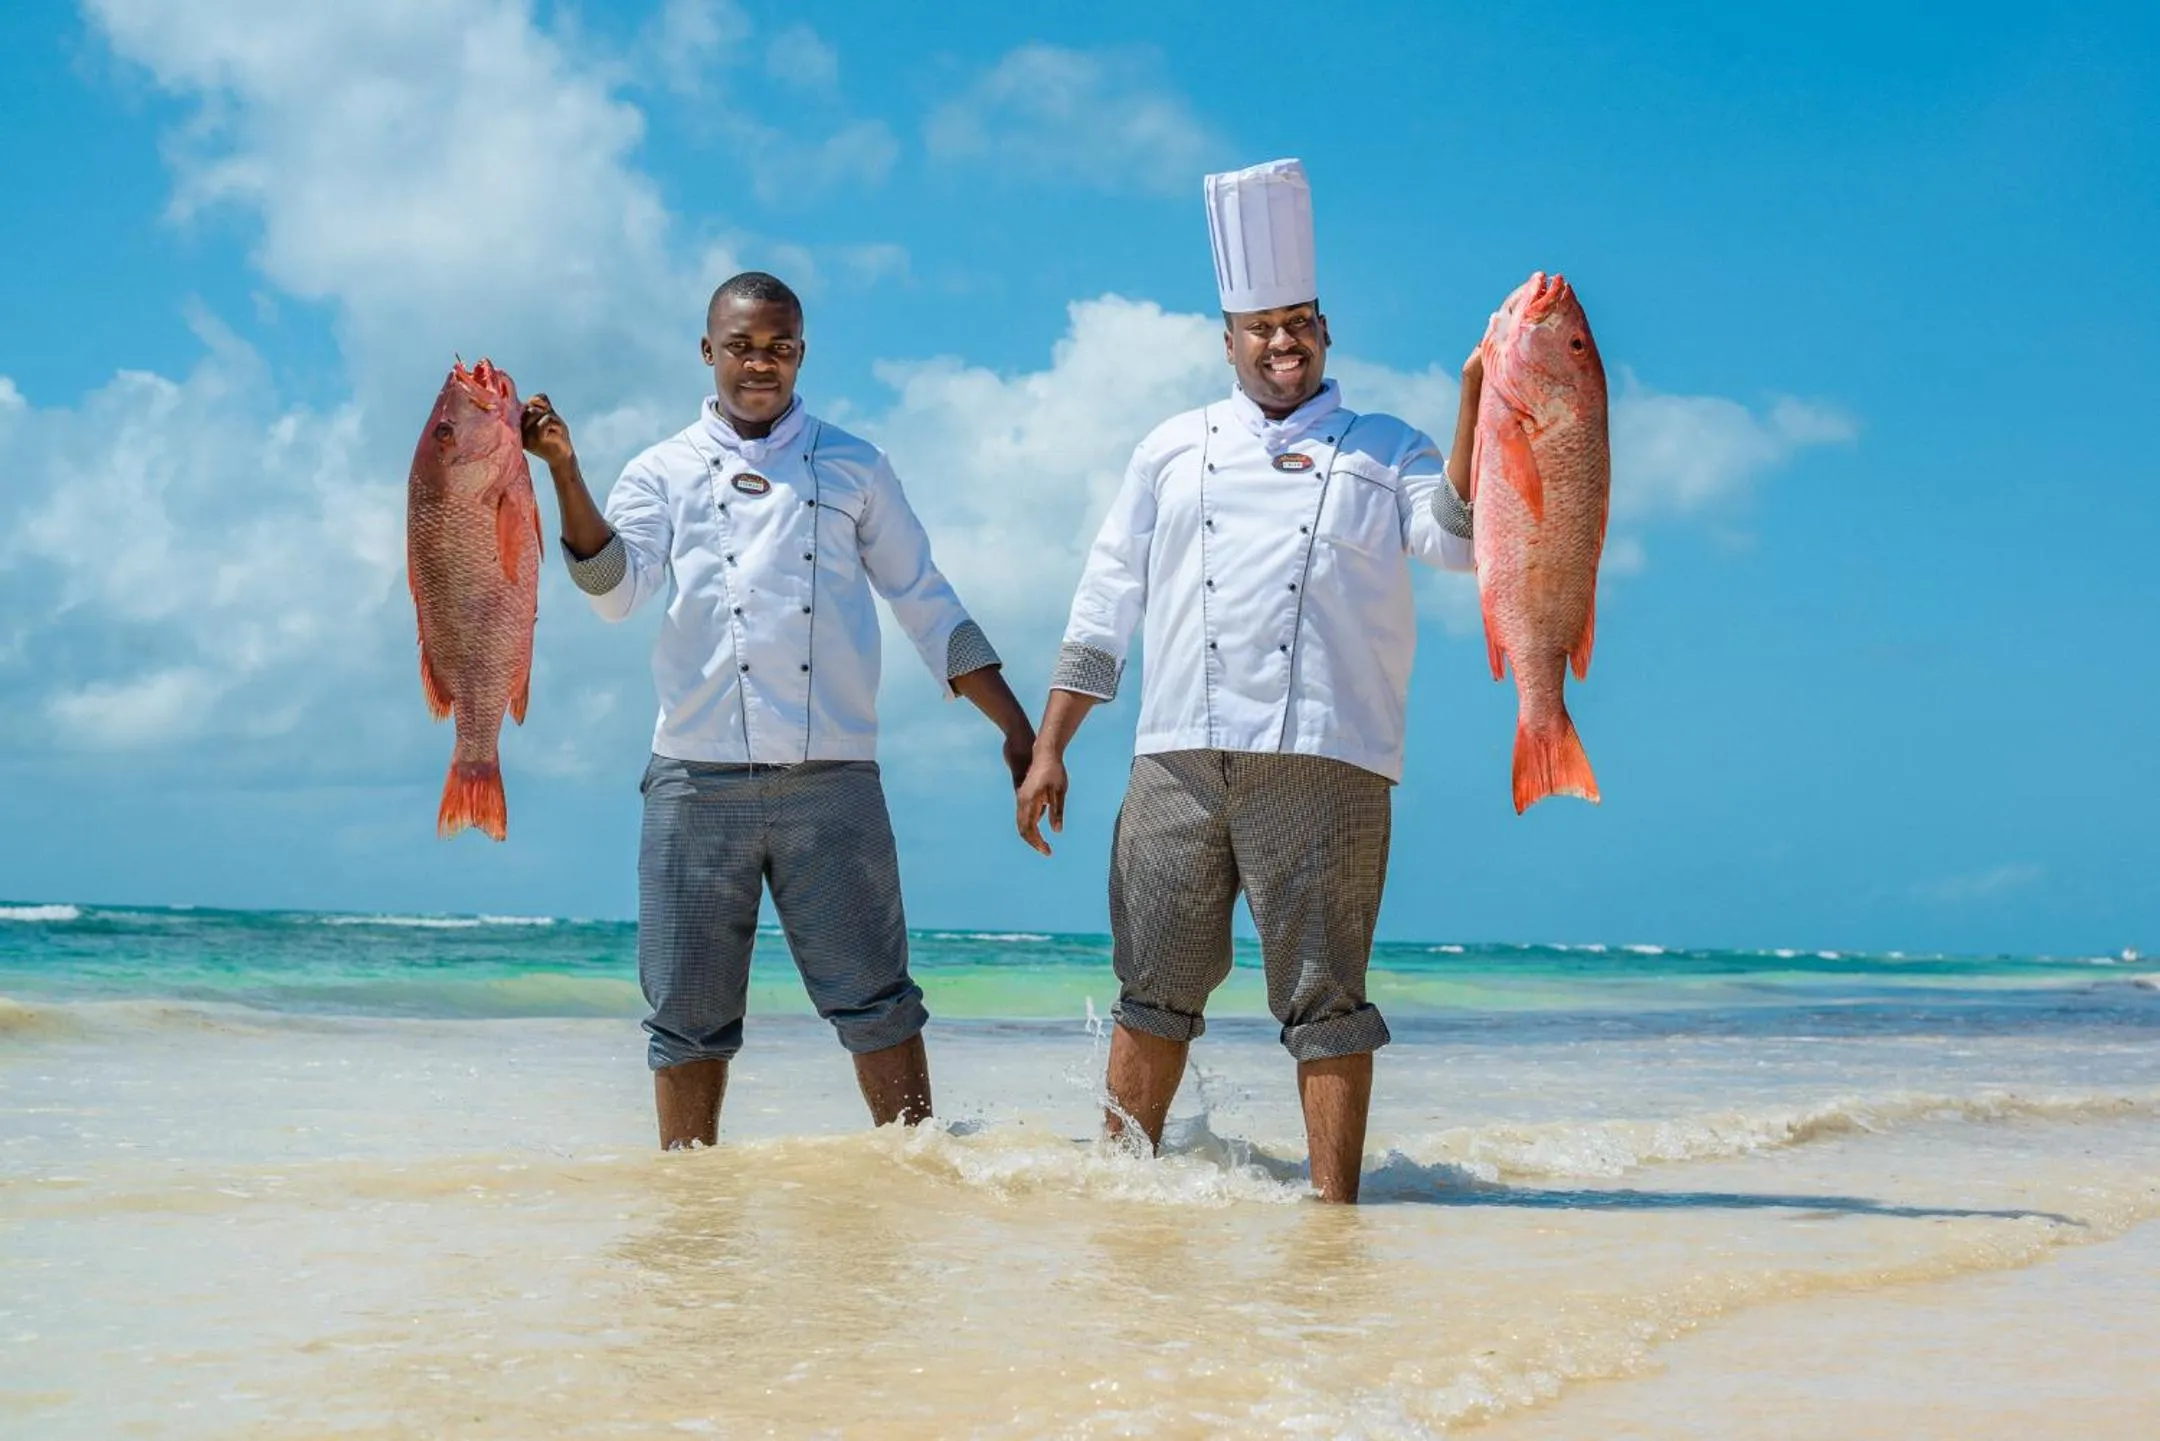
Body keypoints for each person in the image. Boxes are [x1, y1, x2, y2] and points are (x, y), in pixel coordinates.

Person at [1014, 160, 1485, 1203]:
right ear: (1226, 340)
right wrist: (1050, 747)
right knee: (1152, 987)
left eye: (1300, 323)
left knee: (1326, 1000)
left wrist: (1475, 405)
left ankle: (1333, 1222)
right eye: (1262, 326)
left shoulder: (1386, 448)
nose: (1283, 341)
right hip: (1176, 756)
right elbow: (1105, 602)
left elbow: (1457, 541)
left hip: (1328, 754)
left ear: (1326, 331)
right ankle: (1121, 1199)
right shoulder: (1171, 449)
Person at [522, 271, 1036, 1148]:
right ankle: (691, 1204)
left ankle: (917, 1181)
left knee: (877, 1000)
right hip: (695, 780)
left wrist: (1018, 727)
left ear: (801, 353)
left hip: (832, 780)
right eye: (741, 347)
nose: (760, 363)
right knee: (686, 1016)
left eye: (779, 347)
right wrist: (566, 471)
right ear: (707, 351)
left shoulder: (854, 464)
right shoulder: (661, 469)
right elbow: (615, 593)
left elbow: (925, 600)